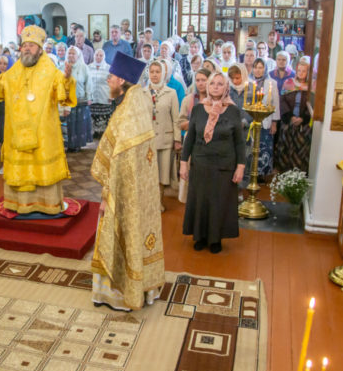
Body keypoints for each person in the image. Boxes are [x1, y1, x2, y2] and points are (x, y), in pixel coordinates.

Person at [0, 25, 76, 215]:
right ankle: (20, 205)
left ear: (40, 49)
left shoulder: (50, 70)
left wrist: (68, 78)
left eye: (31, 45)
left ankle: (48, 205)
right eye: (24, 45)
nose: (27, 48)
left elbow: (62, 91)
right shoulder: (14, 72)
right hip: (17, 134)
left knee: (42, 169)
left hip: (43, 136)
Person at [91, 52, 164, 311]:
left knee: (124, 228)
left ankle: (121, 294)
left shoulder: (127, 110)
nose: (108, 79)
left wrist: (108, 190)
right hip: (138, 189)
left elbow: (118, 155)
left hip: (126, 189)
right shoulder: (135, 103)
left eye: (111, 76)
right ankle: (143, 289)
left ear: (121, 80)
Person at [180, 72, 246, 254]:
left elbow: (240, 142)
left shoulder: (233, 111)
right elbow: (190, 138)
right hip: (201, 163)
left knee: (219, 202)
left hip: (224, 165)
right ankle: (200, 236)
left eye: (220, 84)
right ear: (207, 87)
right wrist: (183, 163)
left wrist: (240, 166)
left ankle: (216, 239)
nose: (216, 87)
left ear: (226, 87)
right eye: (213, 83)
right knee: (200, 200)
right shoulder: (198, 109)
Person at [146, 59, 181, 211]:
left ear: (163, 73)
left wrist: (177, 139)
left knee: (162, 173)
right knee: (149, 172)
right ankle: (148, 202)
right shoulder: (143, 93)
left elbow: (176, 118)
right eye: (152, 72)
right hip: (148, 140)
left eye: (158, 72)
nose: (155, 75)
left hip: (165, 140)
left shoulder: (171, 93)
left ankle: (159, 201)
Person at [276, 58, 313, 173]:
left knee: (301, 150)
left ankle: (298, 174)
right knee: (285, 148)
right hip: (288, 122)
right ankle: (284, 173)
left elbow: (313, 104)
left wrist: (303, 118)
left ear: (308, 73)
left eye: (304, 71)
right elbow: (282, 101)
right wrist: (290, 116)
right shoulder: (289, 83)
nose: (301, 73)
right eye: (299, 70)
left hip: (304, 125)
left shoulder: (312, 86)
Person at [251, 58, 280, 178]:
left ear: (265, 68)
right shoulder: (249, 81)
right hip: (252, 121)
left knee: (264, 148)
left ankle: (263, 174)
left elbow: (276, 104)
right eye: (256, 67)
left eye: (260, 67)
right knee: (252, 148)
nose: (258, 70)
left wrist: (274, 122)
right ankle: (251, 172)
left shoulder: (271, 83)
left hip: (266, 121)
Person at [62, 46, 93, 152]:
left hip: (80, 99)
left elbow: (88, 83)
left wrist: (89, 96)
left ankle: (77, 145)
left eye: (73, 53)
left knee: (79, 124)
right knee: (68, 123)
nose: (71, 55)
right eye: (69, 53)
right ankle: (69, 144)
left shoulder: (83, 67)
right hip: (67, 101)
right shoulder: (62, 66)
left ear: (78, 55)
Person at [89, 49, 112, 138]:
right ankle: (94, 132)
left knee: (104, 116)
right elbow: (87, 83)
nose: (98, 57)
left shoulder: (108, 68)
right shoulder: (89, 67)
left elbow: (113, 83)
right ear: (94, 56)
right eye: (96, 55)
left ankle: (103, 134)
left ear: (104, 57)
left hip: (105, 96)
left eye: (101, 55)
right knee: (93, 116)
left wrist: (111, 96)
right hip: (93, 96)